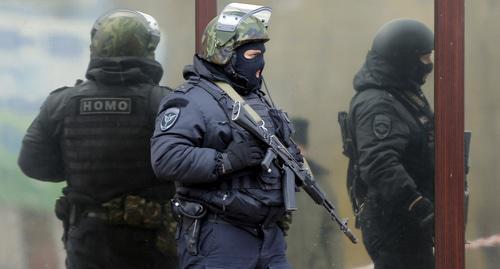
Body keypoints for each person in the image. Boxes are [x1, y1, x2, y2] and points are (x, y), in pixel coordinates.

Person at [18, 9, 177, 269]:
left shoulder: (61, 103)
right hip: (150, 245)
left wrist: (77, 168)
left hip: (87, 242)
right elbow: (189, 165)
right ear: (146, 49)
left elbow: (31, 163)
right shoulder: (163, 103)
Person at [150, 3, 300, 269]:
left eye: (263, 53)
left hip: (269, 238)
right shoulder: (190, 101)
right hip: (218, 236)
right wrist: (225, 161)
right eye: (252, 54)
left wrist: (290, 164)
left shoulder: (259, 102)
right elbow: (166, 158)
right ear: (225, 54)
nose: (261, 62)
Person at [341, 19, 435, 268]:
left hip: (407, 225)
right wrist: (417, 204)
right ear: (405, 59)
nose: (429, 65)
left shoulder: (400, 93)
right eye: (424, 58)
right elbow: (379, 163)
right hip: (396, 226)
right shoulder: (378, 104)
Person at [287, 118, 343, 268]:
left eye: (301, 147)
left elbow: (332, 230)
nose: (297, 153)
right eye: (292, 147)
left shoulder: (321, 183)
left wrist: (336, 265)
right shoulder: (272, 183)